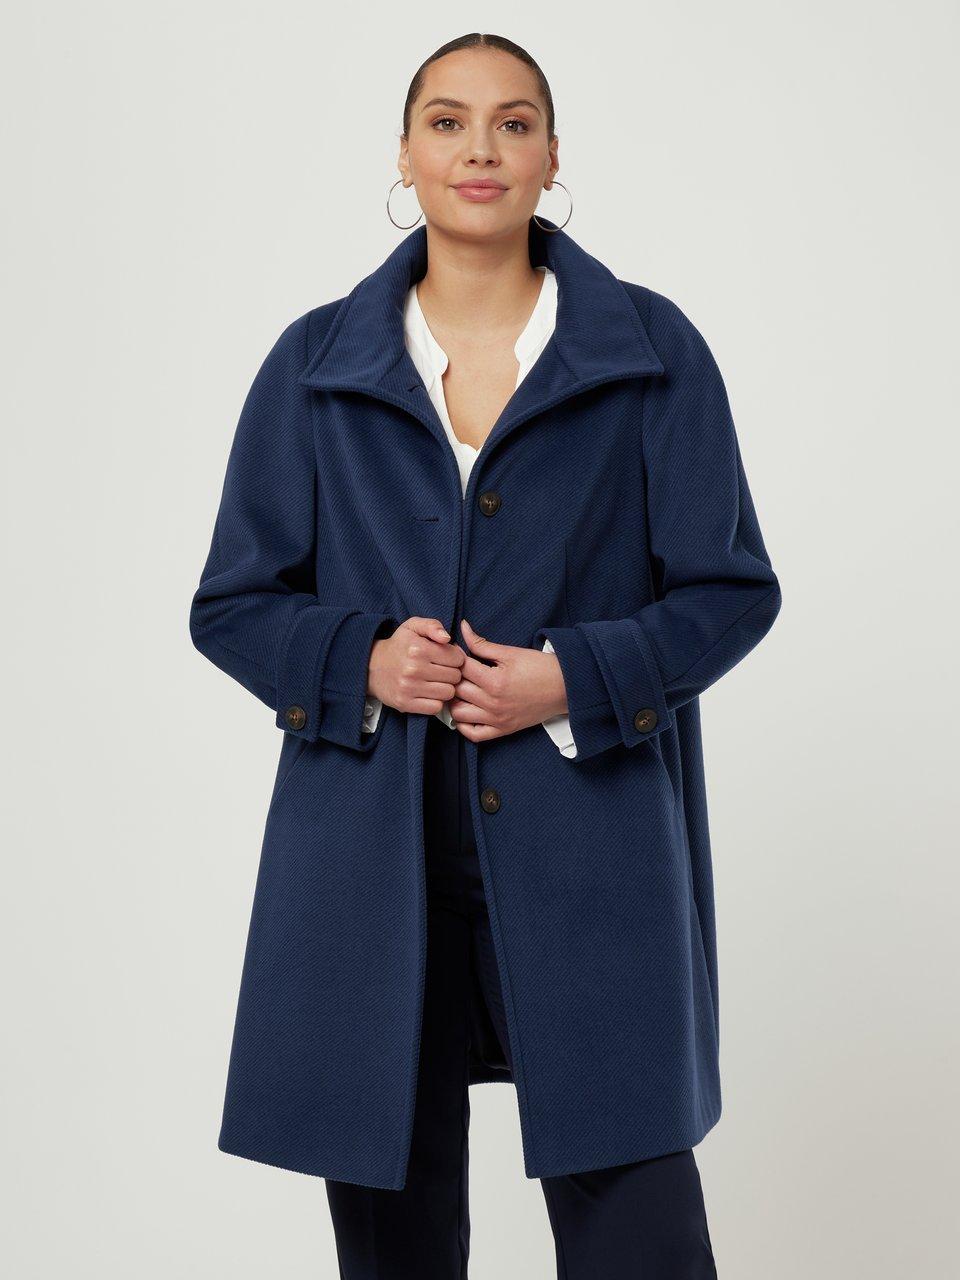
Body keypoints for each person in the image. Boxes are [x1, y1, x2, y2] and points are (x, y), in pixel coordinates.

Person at [190, 31, 782, 1280]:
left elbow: (731, 590)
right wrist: (359, 660)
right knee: (394, 1245)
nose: (481, 149)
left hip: (596, 853)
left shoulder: (651, 351)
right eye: (448, 121)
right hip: (370, 861)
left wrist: (575, 678)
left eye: (513, 123)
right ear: (405, 154)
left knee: (642, 1235)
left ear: (552, 156)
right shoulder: (315, 364)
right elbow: (233, 602)